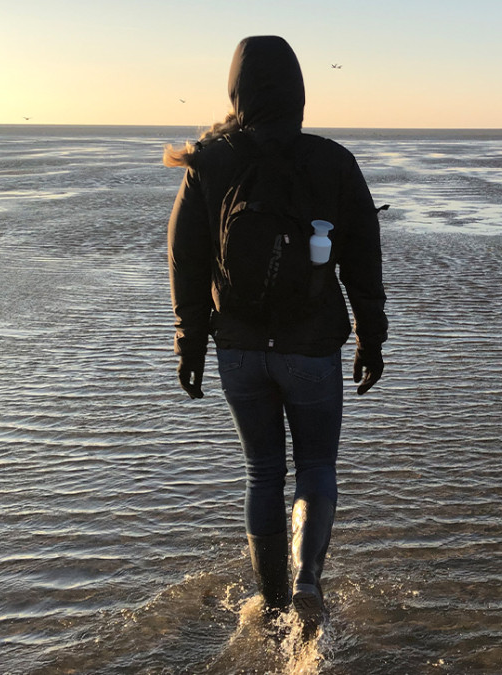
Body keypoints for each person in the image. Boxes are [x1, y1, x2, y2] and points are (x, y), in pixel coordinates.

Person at [163, 36, 388, 631]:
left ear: (236, 90)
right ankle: (309, 583)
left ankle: (272, 600)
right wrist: (371, 337)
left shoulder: (208, 160)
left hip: (237, 349)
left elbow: (185, 259)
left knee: (263, 470)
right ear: (298, 92)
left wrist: (189, 340)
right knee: (316, 466)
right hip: (311, 349)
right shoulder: (332, 160)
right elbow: (364, 256)